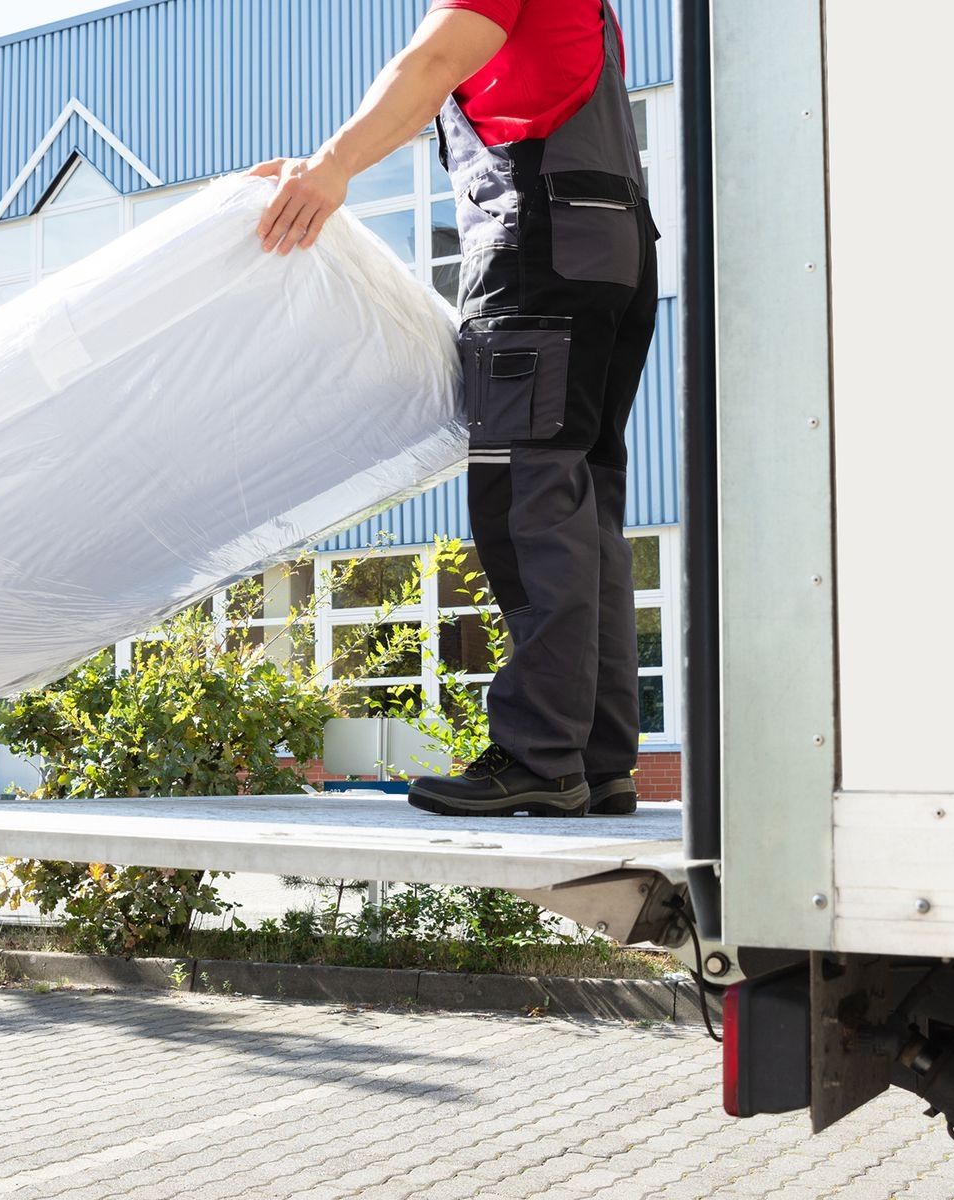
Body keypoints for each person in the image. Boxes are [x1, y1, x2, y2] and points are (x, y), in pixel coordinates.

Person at [251, 0, 658, 818]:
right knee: (583, 510)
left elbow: (429, 65)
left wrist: (331, 166)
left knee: (527, 505)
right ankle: (595, 760)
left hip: (538, 254)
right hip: (613, 255)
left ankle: (540, 758)